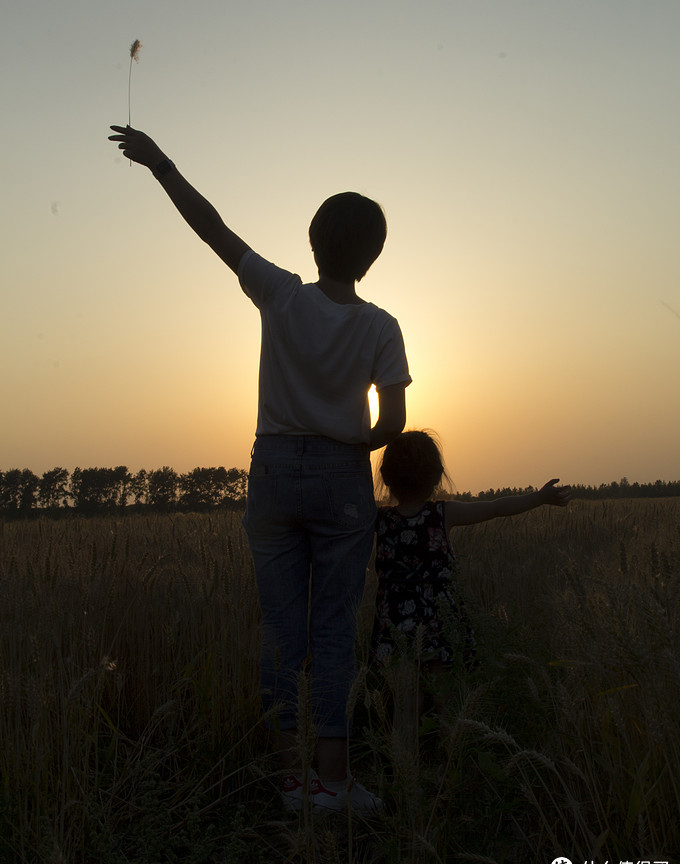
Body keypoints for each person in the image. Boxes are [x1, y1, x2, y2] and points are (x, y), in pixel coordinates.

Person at [108, 125, 411, 813]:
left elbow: (211, 228)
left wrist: (161, 163)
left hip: (271, 469)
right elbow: (390, 426)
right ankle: (333, 783)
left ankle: (288, 780)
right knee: (334, 629)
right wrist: (348, 446)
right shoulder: (382, 326)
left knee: (282, 631)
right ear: (373, 254)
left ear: (313, 242)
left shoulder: (281, 294)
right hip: (342, 477)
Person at [372, 430, 571, 738]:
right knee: (446, 703)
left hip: (394, 626)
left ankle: (403, 773)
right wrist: (539, 498)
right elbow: (495, 507)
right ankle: (448, 773)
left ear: (385, 476)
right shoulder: (442, 513)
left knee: (406, 707)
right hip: (440, 621)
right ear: (436, 475)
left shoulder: (379, 520)